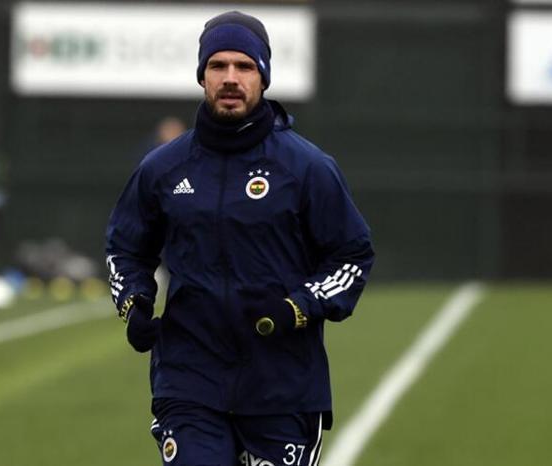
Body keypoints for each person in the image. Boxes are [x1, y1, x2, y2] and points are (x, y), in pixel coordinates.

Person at [106, 11, 374, 466]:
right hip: (189, 381)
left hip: (283, 386)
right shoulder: (163, 168)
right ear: (202, 76)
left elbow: (351, 256)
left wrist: (298, 306)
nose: (230, 78)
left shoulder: (307, 168)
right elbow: (125, 247)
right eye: (218, 65)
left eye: (244, 66)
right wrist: (134, 300)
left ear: (263, 77)